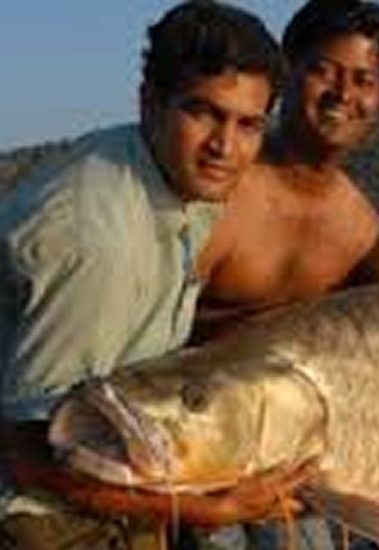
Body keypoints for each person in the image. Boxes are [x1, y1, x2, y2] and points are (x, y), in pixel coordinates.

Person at [0, 1, 283, 547]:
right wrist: (211, 511)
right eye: (203, 113)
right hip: (37, 515)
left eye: (247, 124)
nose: (225, 146)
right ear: (150, 101)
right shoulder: (96, 243)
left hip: (113, 484)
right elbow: (23, 451)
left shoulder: (183, 181)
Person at [193, 0, 379, 343]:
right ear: (287, 71)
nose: (343, 93)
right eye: (323, 70)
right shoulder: (219, 183)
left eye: (363, 80)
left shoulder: (364, 237)